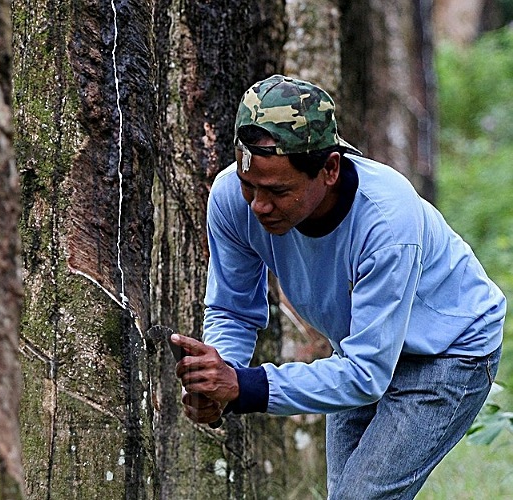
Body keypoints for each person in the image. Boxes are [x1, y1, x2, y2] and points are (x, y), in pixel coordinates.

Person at [171, 74, 505, 499]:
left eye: (277, 191)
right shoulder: (231, 200)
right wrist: (219, 379)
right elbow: (232, 310)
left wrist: (243, 386)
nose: (258, 205)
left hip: (448, 350)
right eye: (247, 184)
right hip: (360, 347)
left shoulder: (386, 222)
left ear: (330, 169)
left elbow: (366, 376)